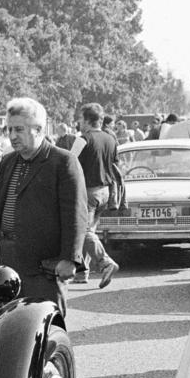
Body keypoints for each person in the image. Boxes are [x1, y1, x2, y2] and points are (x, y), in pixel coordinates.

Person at [0, 97, 88, 308]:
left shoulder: (63, 162)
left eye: (19, 130)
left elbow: (76, 213)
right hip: (9, 258)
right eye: (9, 130)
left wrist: (70, 259)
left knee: (45, 326)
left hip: (44, 264)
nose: (13, 136)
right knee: (14, 326)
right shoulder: (8, 161)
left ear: (39, 129)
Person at [72, 103, 121, 286]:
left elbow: (68, 164)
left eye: (80, 119)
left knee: (82, 231)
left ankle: (105, 262)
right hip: (106, 192)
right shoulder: (111, 139)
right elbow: (116, 164)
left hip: (88, 192)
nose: (79, 122)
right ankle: (81, 273)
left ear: (86, 120)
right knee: (89, 231)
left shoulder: (82, 139)